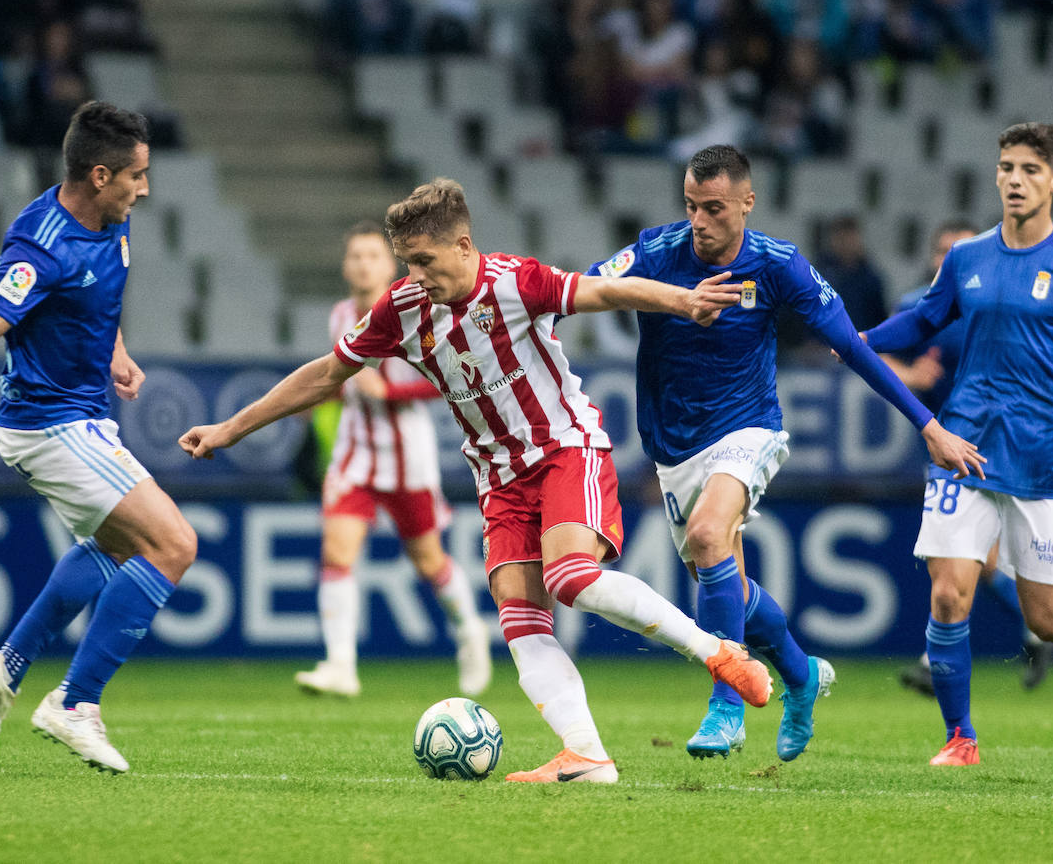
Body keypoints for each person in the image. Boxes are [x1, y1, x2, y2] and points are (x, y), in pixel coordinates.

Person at [180, 177, 775, 784]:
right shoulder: (401, 308)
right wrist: (233, 427)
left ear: (464, 246)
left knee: (569, 578)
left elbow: (606, 290)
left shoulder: (516, 282)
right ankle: (588, 756)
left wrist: (684, 301)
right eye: (408, 263)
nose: (414, 276)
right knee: (520, 621)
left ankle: (719, 652)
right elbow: (326, 374)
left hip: (565, 450)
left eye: (425, 261)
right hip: (498, 479)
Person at [588, 144, 985, 762]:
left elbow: (852, 348)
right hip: (672, 445)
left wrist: (926, 424)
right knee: (730, 586)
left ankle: (726, 706)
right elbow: (585, 289)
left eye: (715, 208)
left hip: (749, 428)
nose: (700, 221)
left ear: (748, 202)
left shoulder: (779, 266)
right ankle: (800, 678)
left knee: (709, 532)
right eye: (692, 206)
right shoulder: (656, 250)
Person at [0, 101, 198, 775]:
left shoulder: (110, 219)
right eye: (137, 176)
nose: (145, 189)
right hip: (47, 424)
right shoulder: (41, 243)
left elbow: (91, 297)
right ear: (101, 174)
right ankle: (75, 704)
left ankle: (4, 669)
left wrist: (115, 349)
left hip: (83, 413)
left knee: (112, 547)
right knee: (172, 544)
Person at [863, 122, 1053, 766]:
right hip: (965, 446)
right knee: (949, 591)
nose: (1015, 179)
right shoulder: (967, 258)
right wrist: (861, 337)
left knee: (1045, 620)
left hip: (1042, 460)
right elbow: (925, 320)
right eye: (1007, 167)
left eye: (1030, 170)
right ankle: (961, 739)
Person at [295, 221, 491, 699]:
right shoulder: (340, 314)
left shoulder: (418, 311)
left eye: (372, 256)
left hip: (408, 455)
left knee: (428, 560)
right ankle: (341, 664)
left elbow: (450, 377)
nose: (363, 264)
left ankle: (471, 632)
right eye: (355, 256)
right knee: (337, 552)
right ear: (346, 267)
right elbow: (342, 378)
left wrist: (390, 391)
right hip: (355, 452)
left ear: (390, 265)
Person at [884, 219, 1053, 696]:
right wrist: (909, 375)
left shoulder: (1006, 303)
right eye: (942, 251)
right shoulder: (917, 306)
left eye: (957, 251)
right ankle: (1040, 623)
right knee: (972, 558)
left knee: (964, 556)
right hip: (947, 445)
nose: (948, 260)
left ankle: (937, 659)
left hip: (1005, 446)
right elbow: (876, 356)